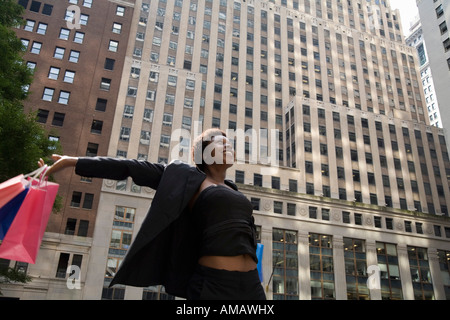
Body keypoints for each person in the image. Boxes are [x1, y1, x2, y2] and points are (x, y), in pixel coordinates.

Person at [38, 128, 266, 300]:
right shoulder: (185, 177)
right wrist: (75, 162)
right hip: (214, 284)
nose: (228, 145)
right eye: (220, 141)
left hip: (251, 284)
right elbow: (130, 167)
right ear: (203, 152)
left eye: (230, 143)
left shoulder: (233, 189)